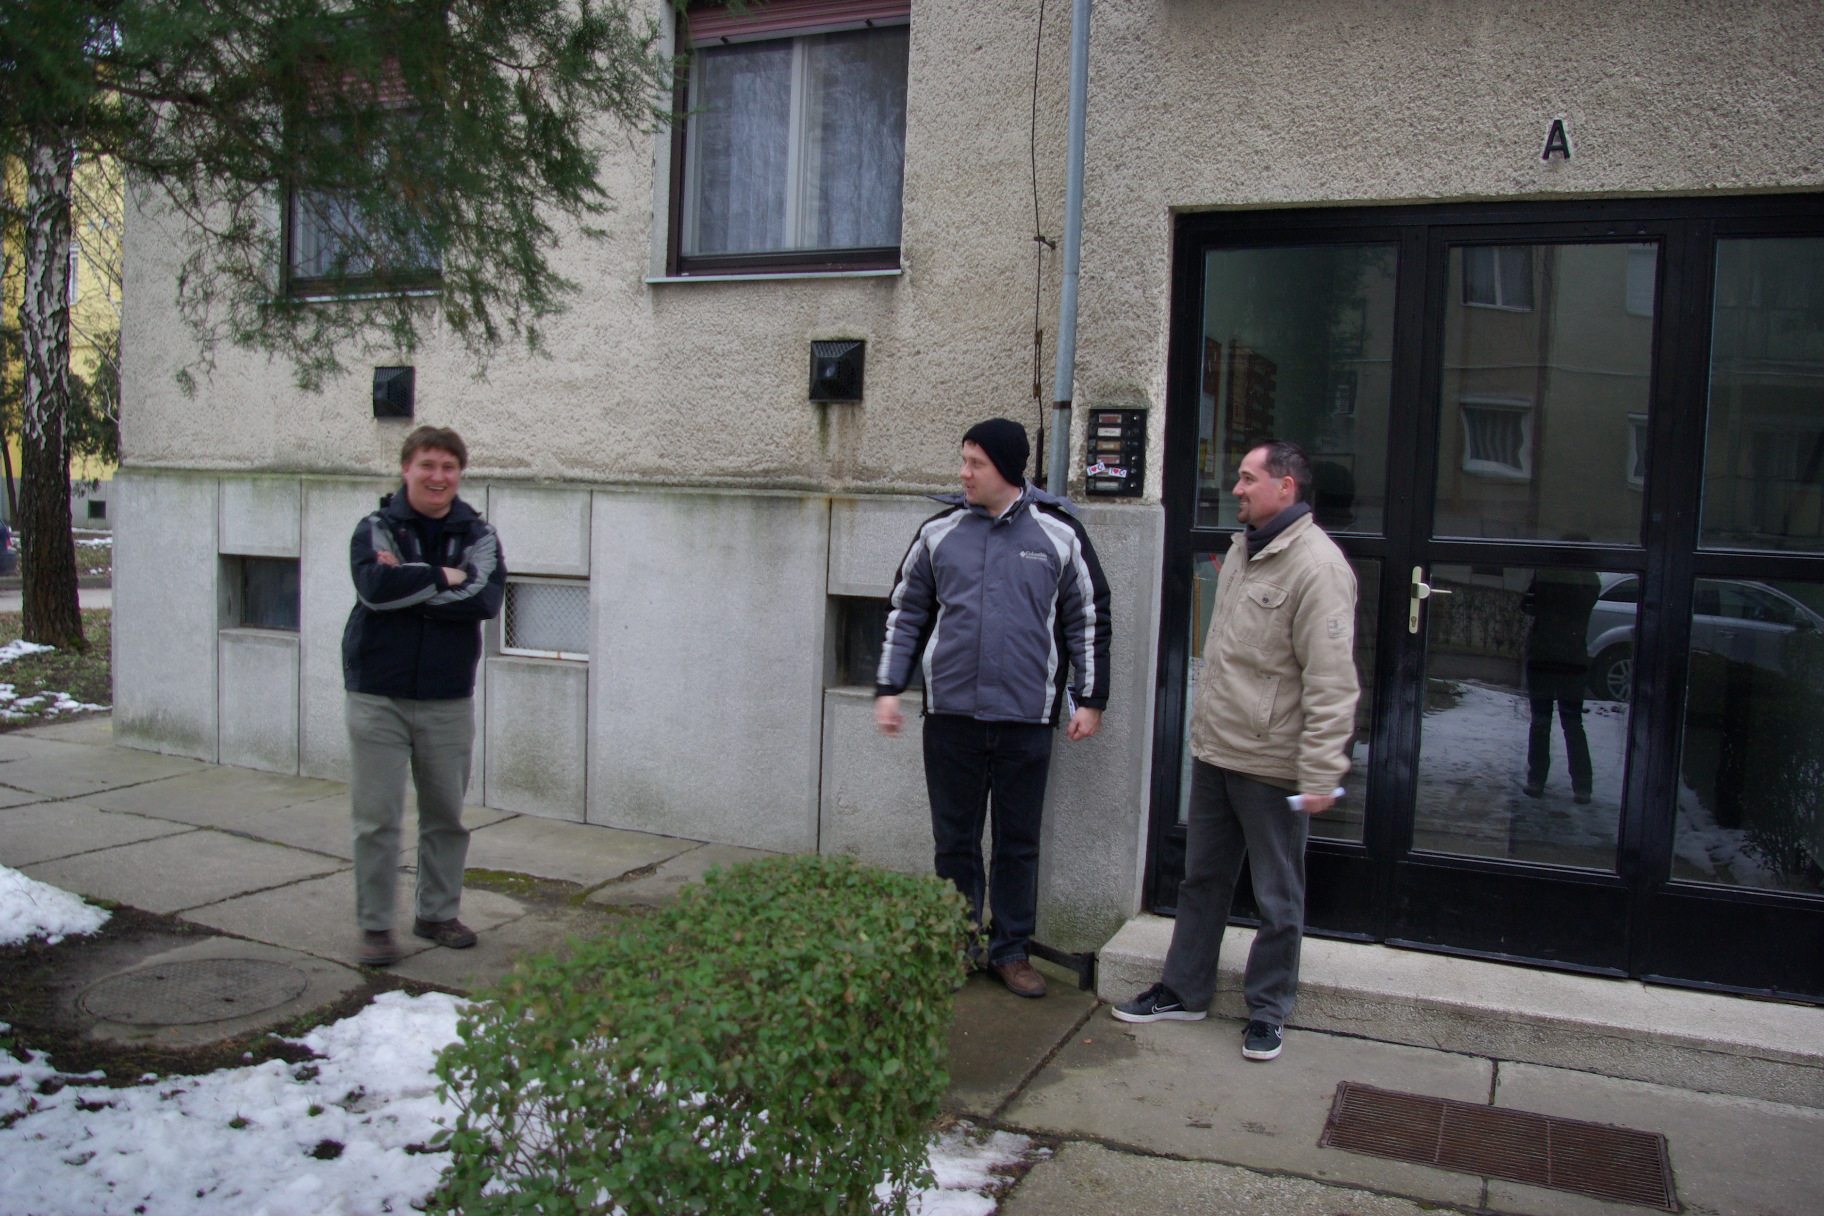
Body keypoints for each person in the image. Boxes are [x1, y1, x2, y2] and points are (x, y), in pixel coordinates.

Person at [1113, 439, 1358, 1061]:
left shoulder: (1318, 568)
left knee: (1278, 896)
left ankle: (1268, 1010)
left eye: (1248, 478)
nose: (1237, 488)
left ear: (1286, 487)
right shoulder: (1245, 550)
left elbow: (1332, 681)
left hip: (1272, 763)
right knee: (1202, 879)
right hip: (1217, 749)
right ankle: (1184, 990)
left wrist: (1322, 769)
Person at [875, 418, 1112, 999]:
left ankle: (1010, 950)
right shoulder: (939, 533)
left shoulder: (1059, 533)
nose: (963, 473)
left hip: (1025, 719)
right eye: (964, 460)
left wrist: (1090, 699)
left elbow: (1088, 617)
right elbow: (906, 612)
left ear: (1005, 468)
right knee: (954, 841)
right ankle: (957, 944)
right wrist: (889, 686)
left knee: (1017, 844)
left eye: (975, 463)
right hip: (951, 718)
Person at [343, 426, 506, 967]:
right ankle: (375, 927)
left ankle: (436, 914)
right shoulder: (376, 528)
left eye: (448, 467)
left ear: (460, 473)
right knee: (377, 819)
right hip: (378, 695)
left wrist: (411, 585)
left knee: (445, 818)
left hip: (447, 699)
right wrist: (444, 575)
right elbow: (374, 590)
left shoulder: (480, 535)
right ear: (406, 469)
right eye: (427, 465)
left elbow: (484, 600)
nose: (438, 477)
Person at [1521, 562, 1601, 804]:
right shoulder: (1586, 578)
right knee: (1568, 722)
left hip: (1551, 657)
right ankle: (1580, 785)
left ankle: (1539, 780)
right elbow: (1529, 605)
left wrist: (1547, 580)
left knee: (1548, 722)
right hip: (1566, 657)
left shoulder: (1557, 575)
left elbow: (1529, 606)